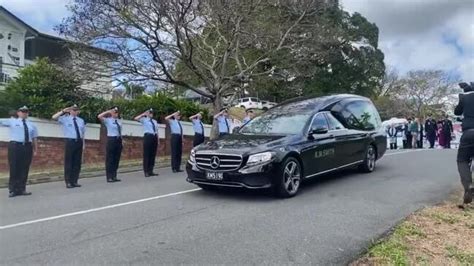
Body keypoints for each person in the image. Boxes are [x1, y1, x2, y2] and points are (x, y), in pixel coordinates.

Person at [0, 106, 38, 197]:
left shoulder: (32, 125)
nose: (24, 113)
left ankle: (22, 189)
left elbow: (34, 138)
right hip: (15, 146)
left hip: (27, 147)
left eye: (26, 112)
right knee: (14, 167)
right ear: (18, 113)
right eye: (22, 112)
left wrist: (35, 149)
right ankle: (13, 190)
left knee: (25, 168)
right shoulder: (12, 121)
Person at [52, 105, 86, 188]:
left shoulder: (81, 120)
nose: (75, 112)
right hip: (70, 141)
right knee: (69, 162)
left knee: (77, 163)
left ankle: (75, 181)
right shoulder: (65, 119)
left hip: (79, 141)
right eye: (73, 110)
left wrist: (84, 144)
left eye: (76, 110)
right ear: (70, 111)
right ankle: (68, 181)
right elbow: (54, 117)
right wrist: (63, 111)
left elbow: (83, 133)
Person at [454, 82, 474, 206]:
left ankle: (468, 186)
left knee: (462, 160)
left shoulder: (465, 97)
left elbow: (457, 112)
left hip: (469, 132)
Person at [98, 107, 123, 183]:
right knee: (110, 159)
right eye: (114, 112)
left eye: (116, 112)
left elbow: (120, 131)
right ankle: (109, 177)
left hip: (118, 139)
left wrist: (121, 141)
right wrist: (108, 111)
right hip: (111, 139)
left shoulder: (119, 121)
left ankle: (114, 175)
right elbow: (99, 116)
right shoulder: (108, 120)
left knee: (116, 159)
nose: (115, 114)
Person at [134, 108, 159, 177]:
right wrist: (143, 114)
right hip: (148, 136)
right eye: (149, 113)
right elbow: (135, 118)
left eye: (152, 113)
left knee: (152, 155)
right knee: (147, 154)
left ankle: (151, 170)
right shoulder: (144, 120)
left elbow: (156, 131)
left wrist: (158, 139)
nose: (151, 114)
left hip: (154, 137)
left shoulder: (155, 121)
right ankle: (146, 171)